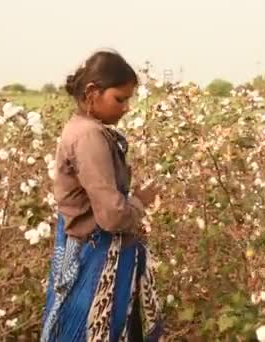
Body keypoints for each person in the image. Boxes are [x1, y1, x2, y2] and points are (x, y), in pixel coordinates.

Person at [41, 50, 163, 342]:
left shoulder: (81, 129)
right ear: (93, 92)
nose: (126, 108)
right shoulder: (89, 136)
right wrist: (140, 201)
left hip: (80, 246)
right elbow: (112, 215)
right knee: (92, 330)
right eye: (119, 99)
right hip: (95, 252)